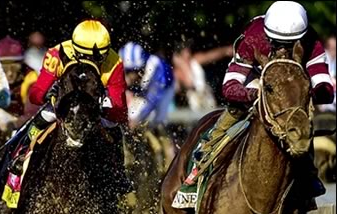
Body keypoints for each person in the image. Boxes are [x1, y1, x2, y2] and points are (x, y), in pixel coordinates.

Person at [184, 2, 334, 203]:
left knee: (301, 120)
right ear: (267, 36)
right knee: (234, 111)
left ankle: (308, 174)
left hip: (291, 90)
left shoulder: (311, 42)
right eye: (277, 44)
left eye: (290, 46)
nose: (283, 50)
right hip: (257, 82)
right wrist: (257, 94)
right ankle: (200, 166)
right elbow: (229, 86)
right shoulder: (254, 36)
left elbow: (325, 87)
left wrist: (306, 93)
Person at [7, 19, 130, 193]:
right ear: (74, 49)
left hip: (95, 108)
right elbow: (35, 94)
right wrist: (47, 93)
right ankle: (17, 167)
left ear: (105, 53)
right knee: (36, 124)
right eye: (84, 56)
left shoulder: (114, 62)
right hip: (62, 105)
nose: (90, 61)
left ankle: (119, 172)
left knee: (114, 128)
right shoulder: (56, 54)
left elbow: (120, 111)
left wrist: (105, 106)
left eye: (96, 58)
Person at [119, 42, 176, 129]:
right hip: (146, 90)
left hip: (164, 89)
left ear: (142, 67)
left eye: (133, 71)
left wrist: (136, 120)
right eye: (127, 71)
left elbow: (153, 99)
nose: (130, 76)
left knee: (158, 120)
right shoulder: (133, 65)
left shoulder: (157, 69)